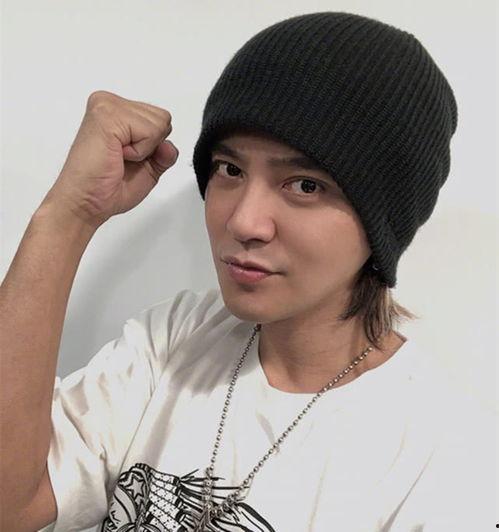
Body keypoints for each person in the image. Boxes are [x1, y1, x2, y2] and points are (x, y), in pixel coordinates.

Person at [0, 11, 495, 532]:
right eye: (229, 169)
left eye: (305, 185)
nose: (242, 221)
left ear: (383, 220)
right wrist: (68, 215)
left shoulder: (446, 464)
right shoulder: (176, 339)